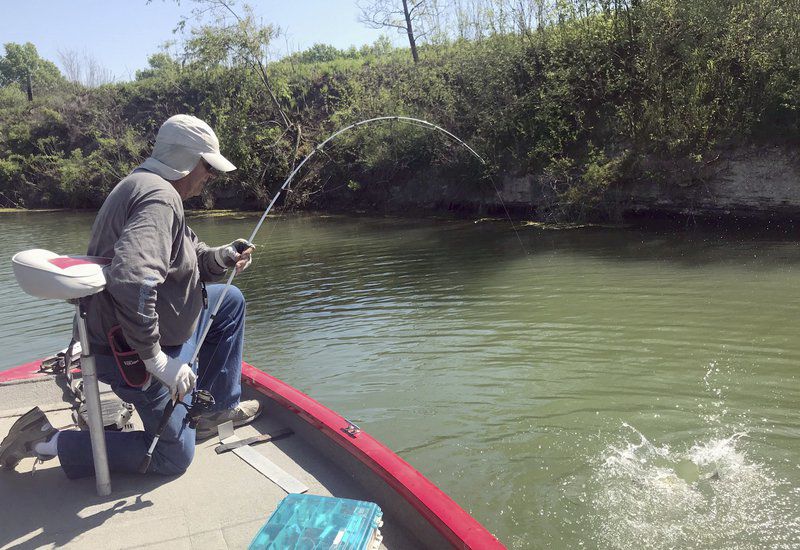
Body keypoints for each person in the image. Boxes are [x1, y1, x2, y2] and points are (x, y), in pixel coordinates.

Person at [0, 114, 262, 477]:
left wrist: (223, 257)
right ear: (187, 161)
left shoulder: (147, 186)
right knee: (174, 458)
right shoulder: (159, 197)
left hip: (169, 333)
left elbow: (187, 255)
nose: (209, 179)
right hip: (132, 353)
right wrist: (158, 363)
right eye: (208, 169)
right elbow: (132, 279)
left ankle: (210, 411)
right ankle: (45, 439)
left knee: (228, 301)